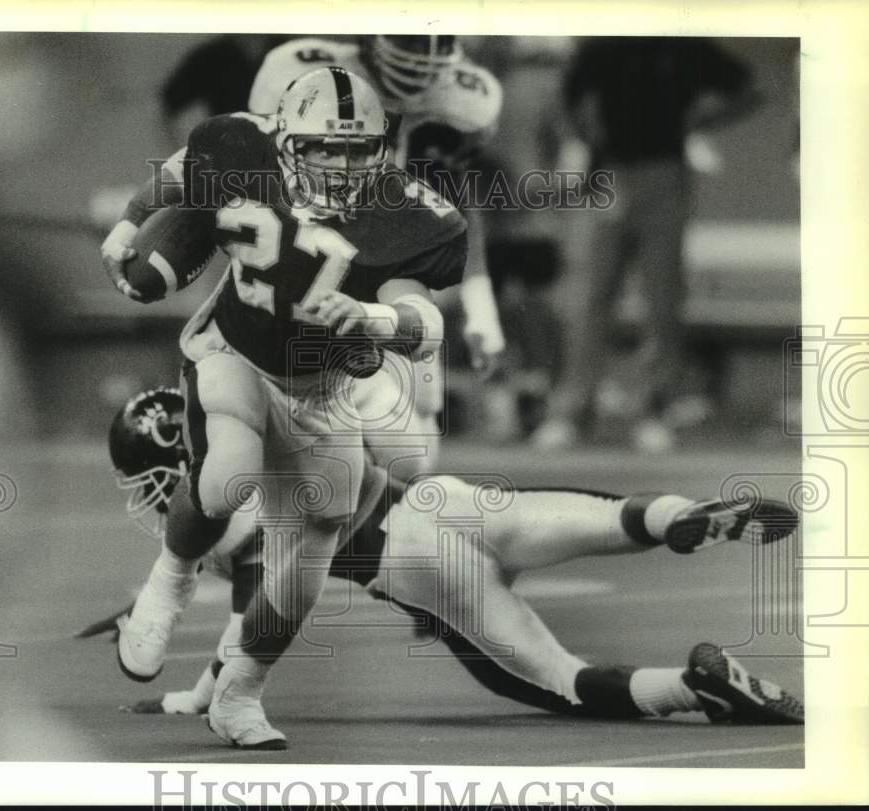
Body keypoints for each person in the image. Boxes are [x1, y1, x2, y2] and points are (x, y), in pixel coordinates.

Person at [79, 387, 803, 749]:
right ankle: (682, 513)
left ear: (178, 464)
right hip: (449, 500)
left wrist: (198, 695)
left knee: (564, 684)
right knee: (610, 518)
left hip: (420, 567)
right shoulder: (264, 401)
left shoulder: (225, 502)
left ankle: (691, 684)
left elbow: (250, 614)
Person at [100, 67, 467, 747]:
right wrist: (129, 226)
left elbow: (426, 319)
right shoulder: (243, 147)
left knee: (308, 559)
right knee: (230, 471)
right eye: (324, 147)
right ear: (284, 139)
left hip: (321, 389)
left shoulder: (408, 212)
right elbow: (182, 172)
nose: (341, 163)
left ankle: (239, 693)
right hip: (234, 349)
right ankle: (169, 581)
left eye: (357, 150)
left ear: (380, 148)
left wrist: (372, 318)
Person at [532, 37, 763, 453]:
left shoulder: (683, 43)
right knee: (591, 298)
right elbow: (564, 99)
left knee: (662, 299)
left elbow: (750, 90)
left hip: (665, 175)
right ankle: (571, 411)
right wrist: (582, 139)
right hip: (609, 173)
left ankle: (653, 409)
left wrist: (699, 120)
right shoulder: (602, 44)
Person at [248, 35, 508, 386]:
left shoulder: (463, 102)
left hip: (392, 263)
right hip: (305, 256)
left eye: (438, 40)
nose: (423, 57)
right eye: (411, 40)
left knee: (414, 404)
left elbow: (457, 201)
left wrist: (481, 311)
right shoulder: (303, 70)